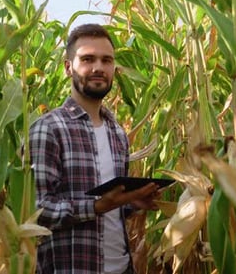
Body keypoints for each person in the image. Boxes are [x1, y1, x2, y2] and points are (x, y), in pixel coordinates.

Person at [29, 23, 160, 274]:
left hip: (121, 267)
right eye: (88, 59)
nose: (98, 67)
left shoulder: (117, 133)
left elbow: (110, 209)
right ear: (68, 67)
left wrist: (132, 201)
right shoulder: (49, 129)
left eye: (106, 60)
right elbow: (35, 211)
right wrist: (96, 206)